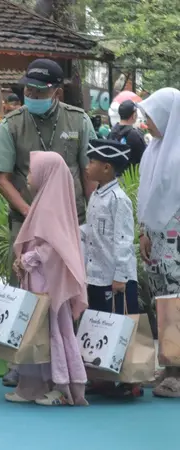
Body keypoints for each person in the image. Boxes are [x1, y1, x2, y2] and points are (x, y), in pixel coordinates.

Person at [0, 58, 95, 387]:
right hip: (26, 224)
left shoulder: (78, 121)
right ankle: (20, 362)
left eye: (38, 90)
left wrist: (92, 215)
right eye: (27, 89)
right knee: (25, 287)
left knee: (69, 289)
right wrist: (31, 213)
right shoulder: (12, 123)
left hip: (72, 222)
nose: (31, 94)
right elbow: (3, 178)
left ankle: (69, 360)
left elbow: (89, 173)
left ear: (57, 92)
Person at [8, 151, 88, 406]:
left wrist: (28, 259)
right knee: (38, 331)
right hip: (39, 281)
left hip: (48, 284)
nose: (29, 177)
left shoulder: (51, 207)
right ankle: (33, 385)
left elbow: (55, 248)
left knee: (52, 329)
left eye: (32, 171)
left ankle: (61, 386)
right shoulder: (46, 203)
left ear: (46, 175)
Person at [81, 138, 142, 398]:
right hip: (95, 275)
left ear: (106, 168)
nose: (87, 166)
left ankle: (131, 380)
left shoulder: (119, 199)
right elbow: (92, 231)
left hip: (115, 279)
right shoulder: (96, 196)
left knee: (121, 326)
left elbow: (123, 240)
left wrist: (120, 277)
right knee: (99, 326)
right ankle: (103, 376)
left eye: (92, 161)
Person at [136, 87, 180, 398]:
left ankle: (177, 372)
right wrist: (144, 232)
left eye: (151, 116)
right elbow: (146, 196)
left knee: (177, 304)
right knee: (163, 303)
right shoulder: (153, 150)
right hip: (156, 239)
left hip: (175, 240)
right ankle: (168, 365)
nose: (146, 122)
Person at [108, 100, 147, 168]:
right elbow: (145, 158)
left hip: (114, 175)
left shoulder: (111, 133)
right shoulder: (135, 135)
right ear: (134, 115)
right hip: (131, 177)